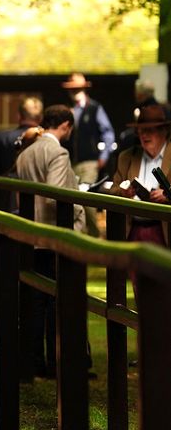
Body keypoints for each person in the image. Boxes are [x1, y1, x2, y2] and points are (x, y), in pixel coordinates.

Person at [16, 105, 86, 379]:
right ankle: (57, 362)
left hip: (30, 232)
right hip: (52, 235)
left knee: (35, 301)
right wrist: (79, 209)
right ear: (66, 125)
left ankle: (32, 362)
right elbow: (56, 196)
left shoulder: (27, 152)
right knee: (56, 301)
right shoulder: (57, 152)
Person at [106, 104, 171, 298]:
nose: (144, 135)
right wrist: (123, 192)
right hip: (134, 229)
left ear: (164, 131)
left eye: (149, 130)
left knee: (165, 290)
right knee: (140, 291)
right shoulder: (127, 157)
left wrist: (168, 195)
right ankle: (145, 328)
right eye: (141, 131)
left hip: (164, 231)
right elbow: (112, 189)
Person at [62, 72, 115, 236]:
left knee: (87, 199)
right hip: (72, 162)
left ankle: (93, 236)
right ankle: (81, 236)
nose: (74, 91)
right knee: (75, 200)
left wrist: (103, 156)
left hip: (89, 162)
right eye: (72, 88)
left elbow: (108, 133)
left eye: (77, 88)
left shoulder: (94, 108)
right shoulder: (68, 110)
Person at [0, 97, 43, 212]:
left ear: (19, 116)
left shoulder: (1, 138)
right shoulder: (46, 142)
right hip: (39, 203)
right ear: (40, 118)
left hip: (6, 201)